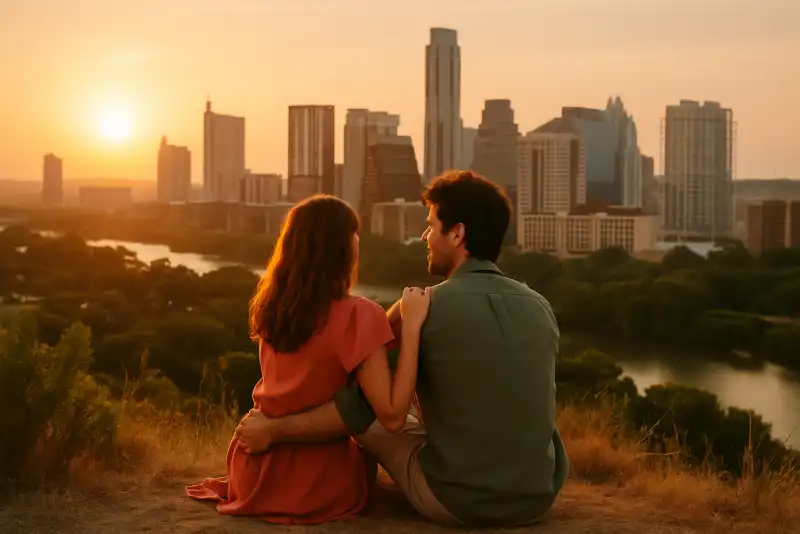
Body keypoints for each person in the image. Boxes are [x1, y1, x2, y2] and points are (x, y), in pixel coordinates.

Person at [237, 170, 570, 528]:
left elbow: (363, 408)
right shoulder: (540, 307)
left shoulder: (426, 309)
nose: (424, 236)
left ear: (457, 233)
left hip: (458, 501)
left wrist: (273, 429)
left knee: (373, 416)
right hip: (538, 497)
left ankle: (300, 460)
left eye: (431, 226)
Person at [186, 195, 432, 524]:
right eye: (354, 232)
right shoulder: (359, 314)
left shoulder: (273, 309)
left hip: (253, 470)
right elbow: (391, 415)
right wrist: (412, 326)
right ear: (343, 247)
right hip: (316, 482)